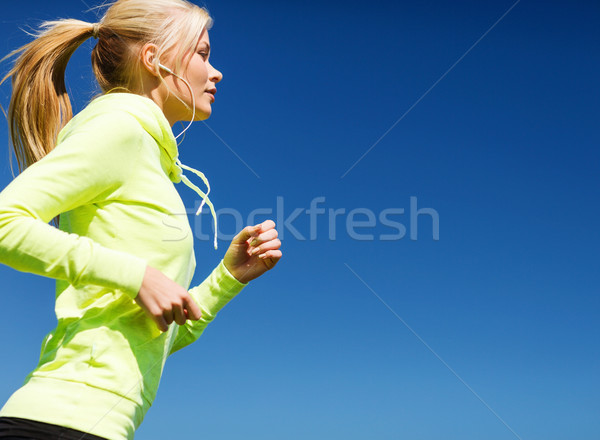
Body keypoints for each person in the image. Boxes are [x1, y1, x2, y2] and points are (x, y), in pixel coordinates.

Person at [0, 1, 282, 439]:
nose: (216, 72)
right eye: (202, 53)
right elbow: (5, 222)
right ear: (154, 60)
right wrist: (136, 276)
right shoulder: (119, 130)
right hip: (57, 421)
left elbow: (160, 335)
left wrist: (228, 278)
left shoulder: (148, 154)